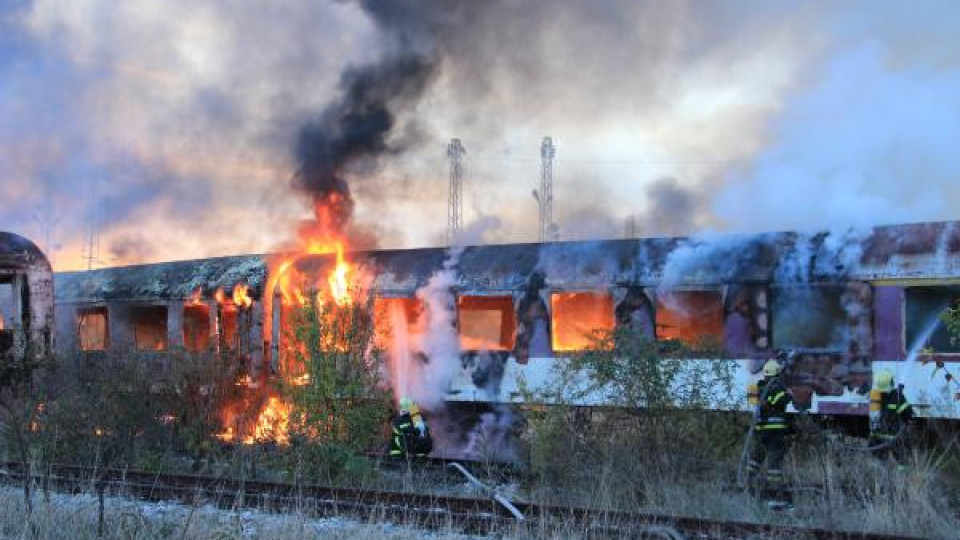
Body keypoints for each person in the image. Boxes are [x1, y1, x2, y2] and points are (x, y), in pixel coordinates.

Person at [747, 357, 793, 508]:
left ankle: (748, 484)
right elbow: (781, 401)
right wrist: (789, 394)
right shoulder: (778, 387)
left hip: (760, 431)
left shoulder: (758, 388)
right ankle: (776, 494)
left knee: (756, 458)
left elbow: (754, 407)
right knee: (774, 462)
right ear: (777, 374)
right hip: (775, 432)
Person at [869, 369, 913, 465]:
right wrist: (900, 396)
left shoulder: (876, 395)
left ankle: (880, 477)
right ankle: (903, 476)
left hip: (877, 435)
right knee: (902, 460)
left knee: (879, 462)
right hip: (894, 435)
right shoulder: (897, 397)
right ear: (891, 383)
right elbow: (908, 413)